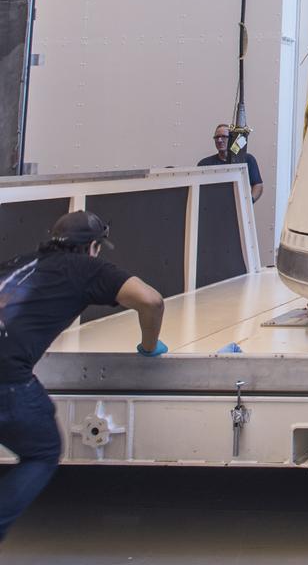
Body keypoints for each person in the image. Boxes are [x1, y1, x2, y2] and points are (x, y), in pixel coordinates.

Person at [0, 210, 166, 540]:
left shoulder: (18, 263)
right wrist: (149, 345)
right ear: (93, 247)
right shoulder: (87, 269)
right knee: (42, 451)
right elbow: (151, 300)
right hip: (7, 381)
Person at [198, 123, 263, 203]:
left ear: (232, 139)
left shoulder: (248, 159)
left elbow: (258, 185)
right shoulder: (204, 164)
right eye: (217, 137)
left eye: (224, 137)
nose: (219, 140)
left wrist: (248, 203)